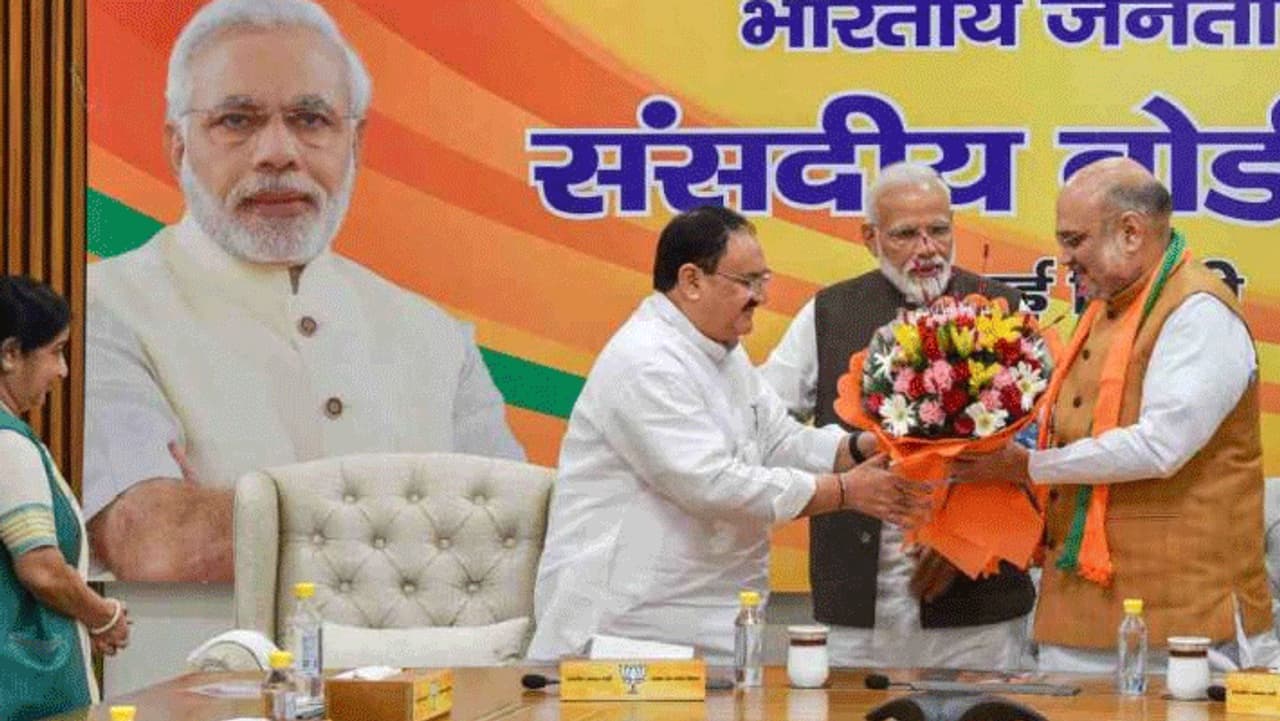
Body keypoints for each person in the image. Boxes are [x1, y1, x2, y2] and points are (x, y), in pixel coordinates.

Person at [84, 0, 523, 583]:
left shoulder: (434, 339)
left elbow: (517, 539)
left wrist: (243, 516)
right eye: (236, 121)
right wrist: (430, 522)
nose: (278, 153)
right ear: (178, 147)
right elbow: (161, 543)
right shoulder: (100, 309)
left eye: (311, 120)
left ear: (354, 144)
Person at [527, 206, 932, 661]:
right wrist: (843, 492)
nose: (761, 297)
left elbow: (778, 439)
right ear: (691, 281)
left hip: (712, 616)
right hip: (629, 626)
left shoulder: (721, 349)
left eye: (764, 280)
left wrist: (857, 447)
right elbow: (710, 483)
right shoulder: (646, 361)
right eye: (747, 282)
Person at [953, 157, 1276, 672]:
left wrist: (1028, 466)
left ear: (1130, 232)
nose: (1064, 258)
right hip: (1076, 616)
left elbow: (1160, 446)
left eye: (1074, 240)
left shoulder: (1198, 312)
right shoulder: (1104, 310)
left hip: (1183, 623)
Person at [760, 162, 1033, 669]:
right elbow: (761, 425)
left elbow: (1039, 450)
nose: (927, 249)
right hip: (856, 601)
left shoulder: (1002, 309)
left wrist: (965, 537)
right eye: (906, 234)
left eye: (939, 230)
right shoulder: (830, 312)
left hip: (977, 605)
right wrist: (841, 466)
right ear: (870, 238)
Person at [1, 277, 129, 720]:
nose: (63, 371)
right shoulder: (8, 444)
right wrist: (103, 615)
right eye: (55, 352)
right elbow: (42, 570)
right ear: (10, 354)